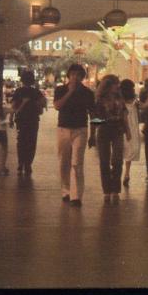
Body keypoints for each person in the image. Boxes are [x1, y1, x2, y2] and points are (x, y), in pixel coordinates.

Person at [53, 64, 95, 207]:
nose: (75, 77)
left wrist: (94, 133)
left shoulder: (88, 93)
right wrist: (69, 92)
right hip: (63, 129)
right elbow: (57, 106)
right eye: (73, 74)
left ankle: (76, 196)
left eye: (78, 75)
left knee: (77, 162)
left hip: (80, 130)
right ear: (69, 75)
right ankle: (66, 191)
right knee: (64, 162)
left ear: (82, 77)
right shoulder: (60, 90)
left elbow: (93, 114)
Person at [90, 75, 130, 204]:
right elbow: (95, 118)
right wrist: (92, 134)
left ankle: (115, 190)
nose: (118, 86)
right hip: (104, 130)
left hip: (118, 130)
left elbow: (124, 114)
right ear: (108, 85)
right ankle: (107, 190)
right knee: (104, 161)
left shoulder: (119, 97)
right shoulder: (99, 100)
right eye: (115, 83)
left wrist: (128, 130)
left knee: (117, 160)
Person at [10, 70, 47, 176]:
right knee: (31, 142)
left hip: (21, 120)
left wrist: (11, 118)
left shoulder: (18, 91)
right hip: (33, 120)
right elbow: (43, 103)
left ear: (22, 80)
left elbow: (13, 106)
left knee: (21, 142)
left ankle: (20, 162)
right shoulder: (36, 92)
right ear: (32, 80)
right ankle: (28, 164)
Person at [120, 79, 141, 187]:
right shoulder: (134, 99)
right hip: (132, 125)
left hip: (122, 126)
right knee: (130, 148)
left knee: (121, 149)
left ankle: (121, 172)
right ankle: (127, 173)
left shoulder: (120, 99)